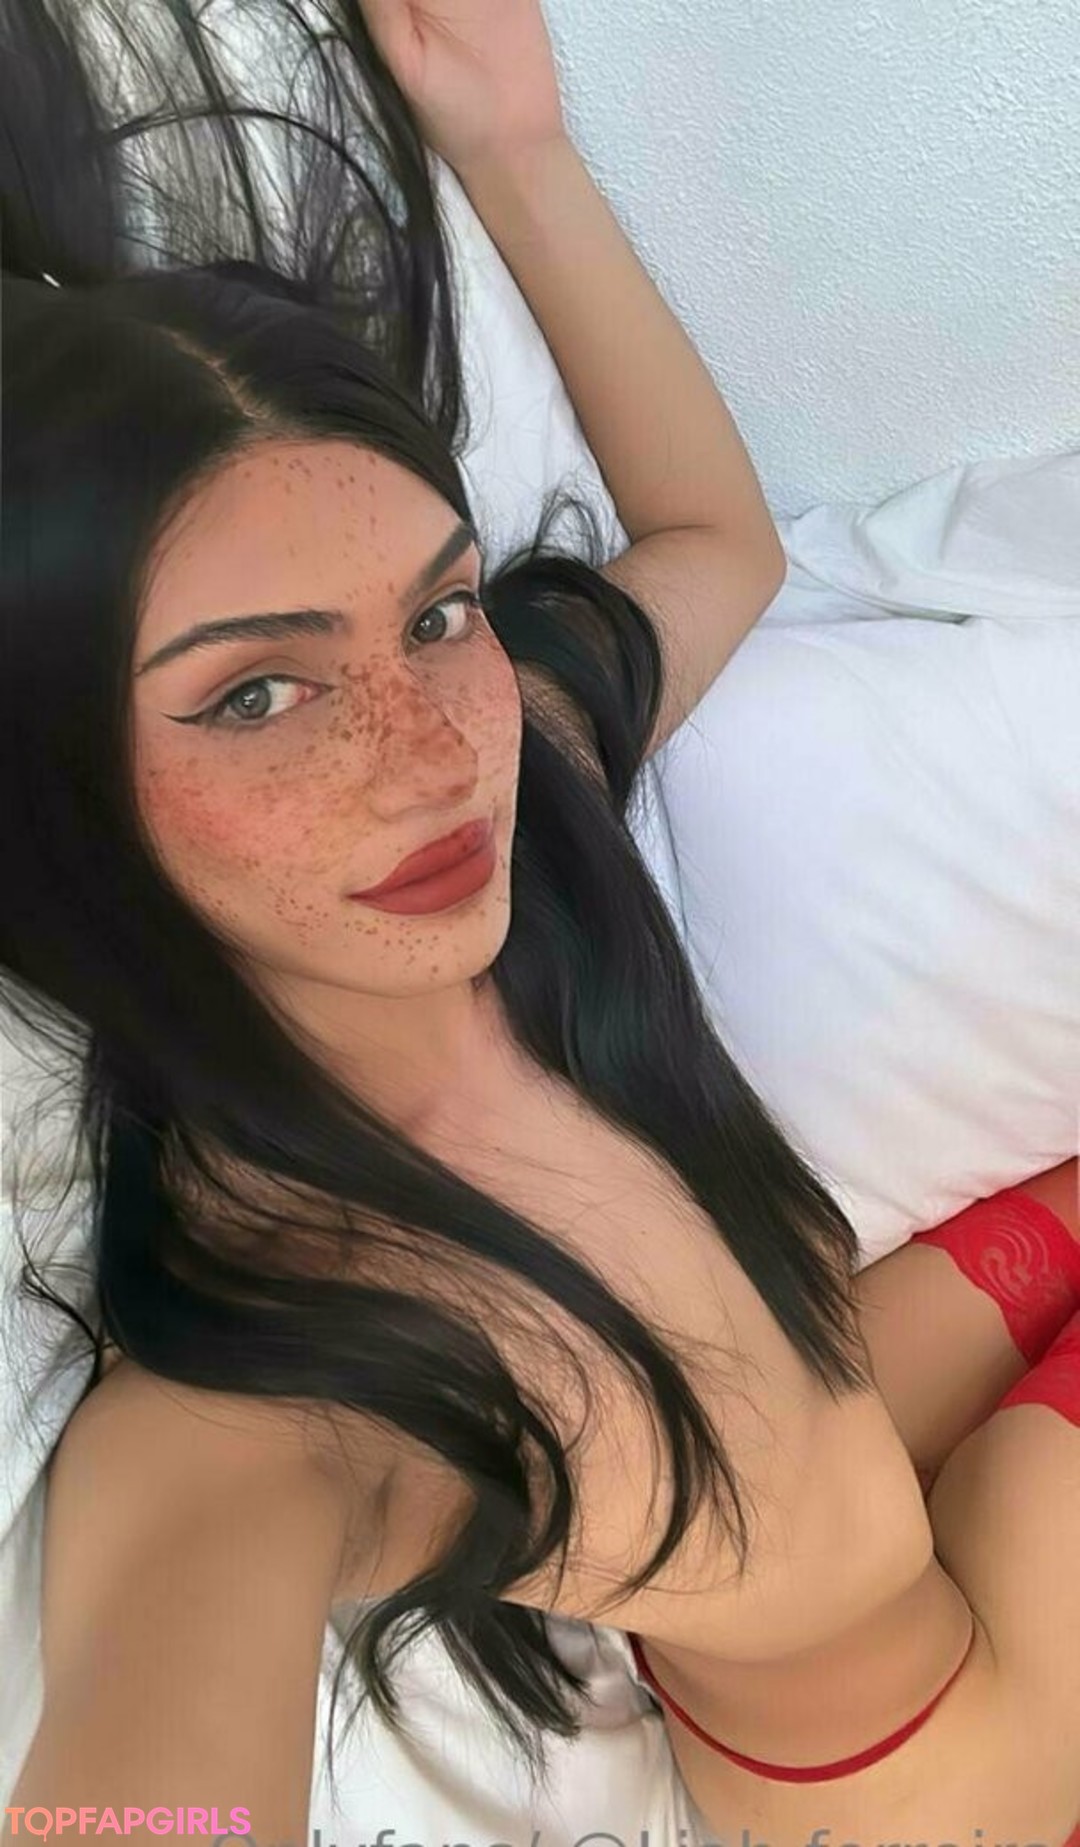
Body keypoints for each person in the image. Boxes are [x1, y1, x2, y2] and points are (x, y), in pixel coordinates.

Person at [1, 0, 1077, 1840]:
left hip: (882, 1464)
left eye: (435, 615)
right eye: (256, 693)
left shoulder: (527, 801)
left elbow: (715, 545)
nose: (433, 760)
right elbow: (148, 1768)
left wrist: (516, 150)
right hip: (935, 1785)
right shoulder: (264, 1403)